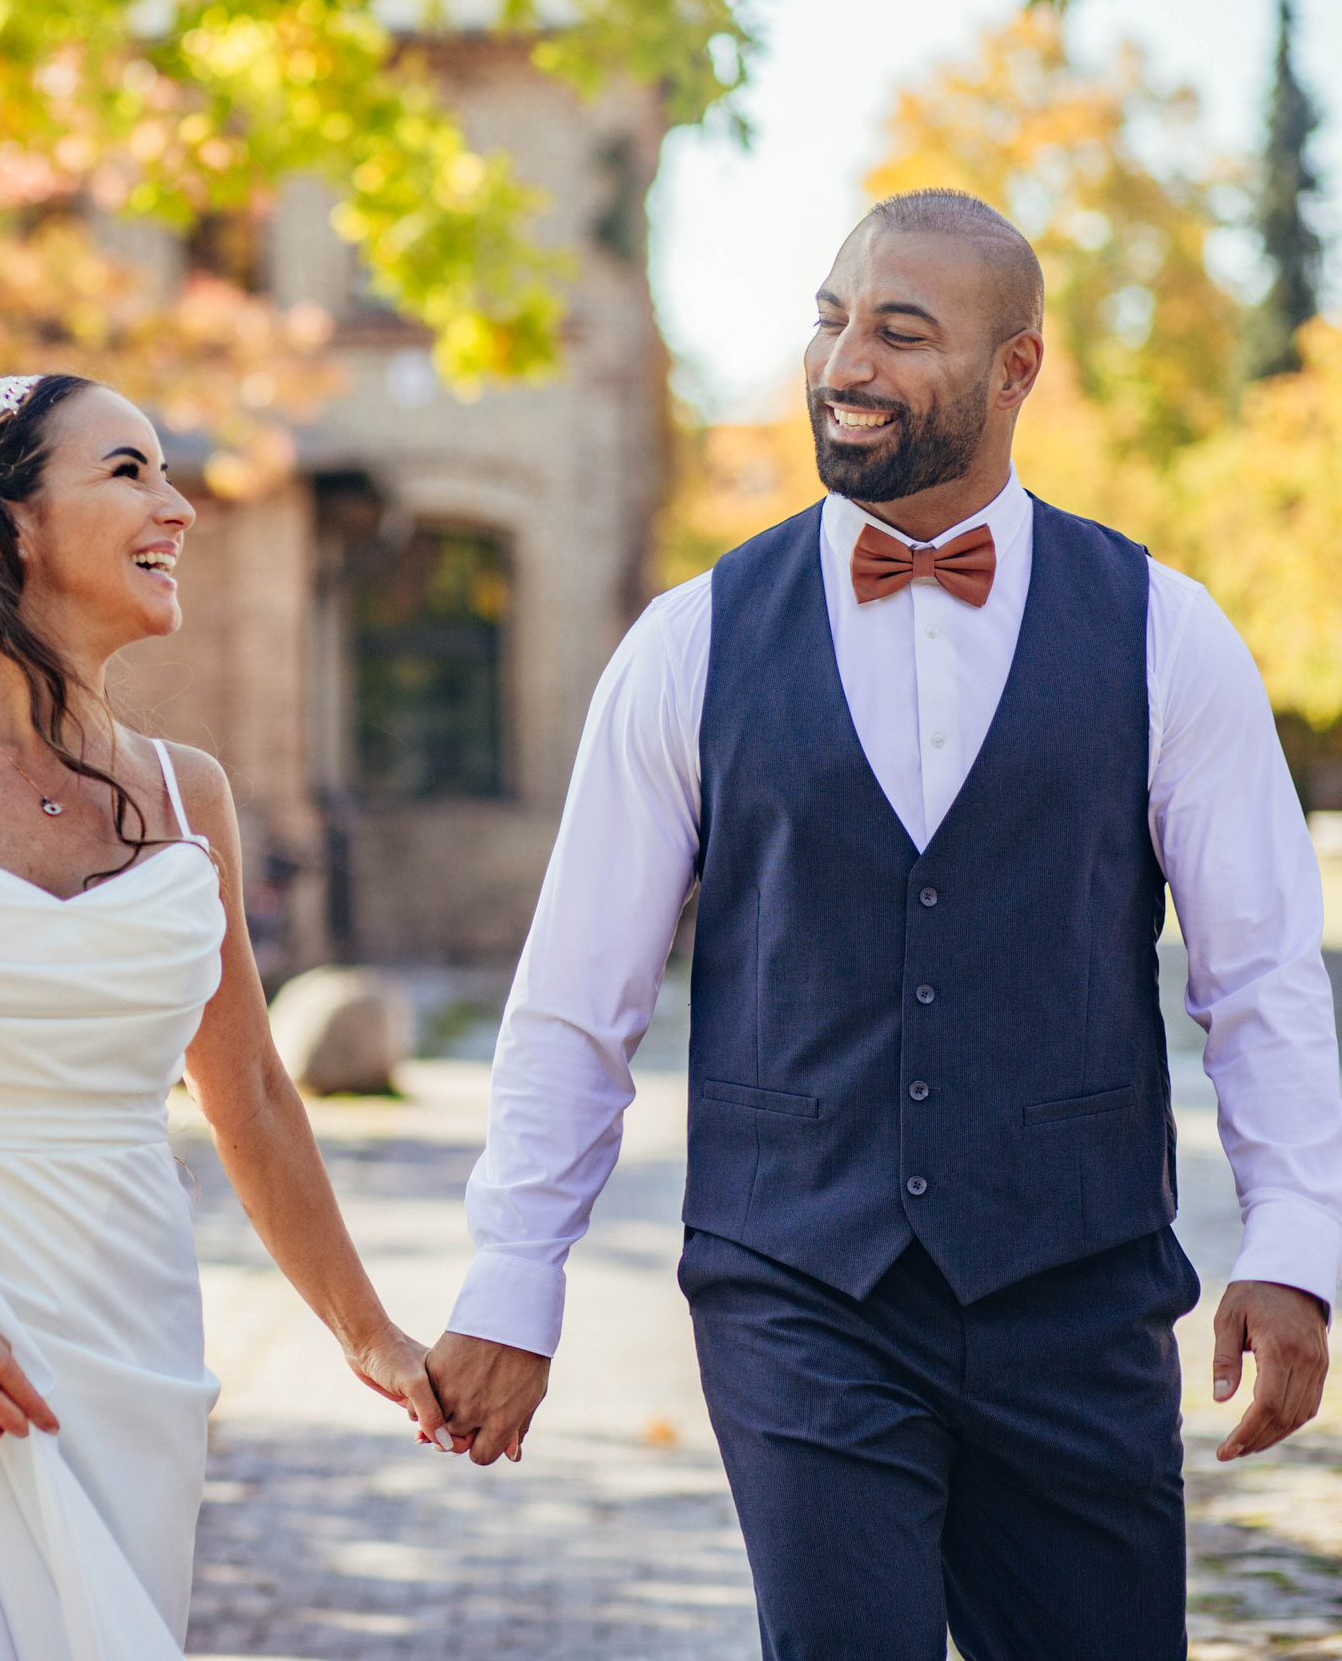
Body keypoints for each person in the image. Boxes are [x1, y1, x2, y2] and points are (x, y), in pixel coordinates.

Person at [426, 189, 1342, 1657]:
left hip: (1078, 1286)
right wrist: (512, 1279)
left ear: (1015, 369)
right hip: (799, 1287)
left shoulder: (1169, 630)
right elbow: (576, 996)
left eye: (901, 332)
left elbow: (1262, 978)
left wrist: (1297, 1241)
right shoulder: (689, 639)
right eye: (829, 317)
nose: (845, 359)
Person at [0, 373, 450, 1660]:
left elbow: (255, 1099)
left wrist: (368, 1332)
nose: (176, 506)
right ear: (5, 523)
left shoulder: (191, 797)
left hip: (122, 1332)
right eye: (128, 471)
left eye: (166, 471)